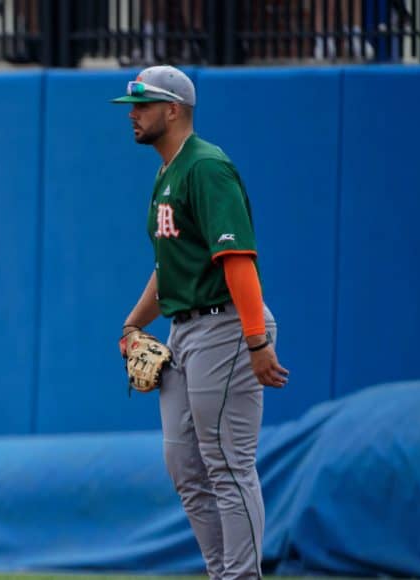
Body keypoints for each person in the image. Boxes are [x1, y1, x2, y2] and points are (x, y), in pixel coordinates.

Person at [111, 66, 289, 579]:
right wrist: (132, 324)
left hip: (227, 326)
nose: (133, 115)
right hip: (184, 330)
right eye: (131, 106)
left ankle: (240, 576)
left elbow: (238, 259)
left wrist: (256, 339)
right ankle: (223, 572)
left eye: (142, 105)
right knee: (185, 468)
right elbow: (170, 266)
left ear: (174, 109)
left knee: (228, 466)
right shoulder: (167, 172)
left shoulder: (206, 167)